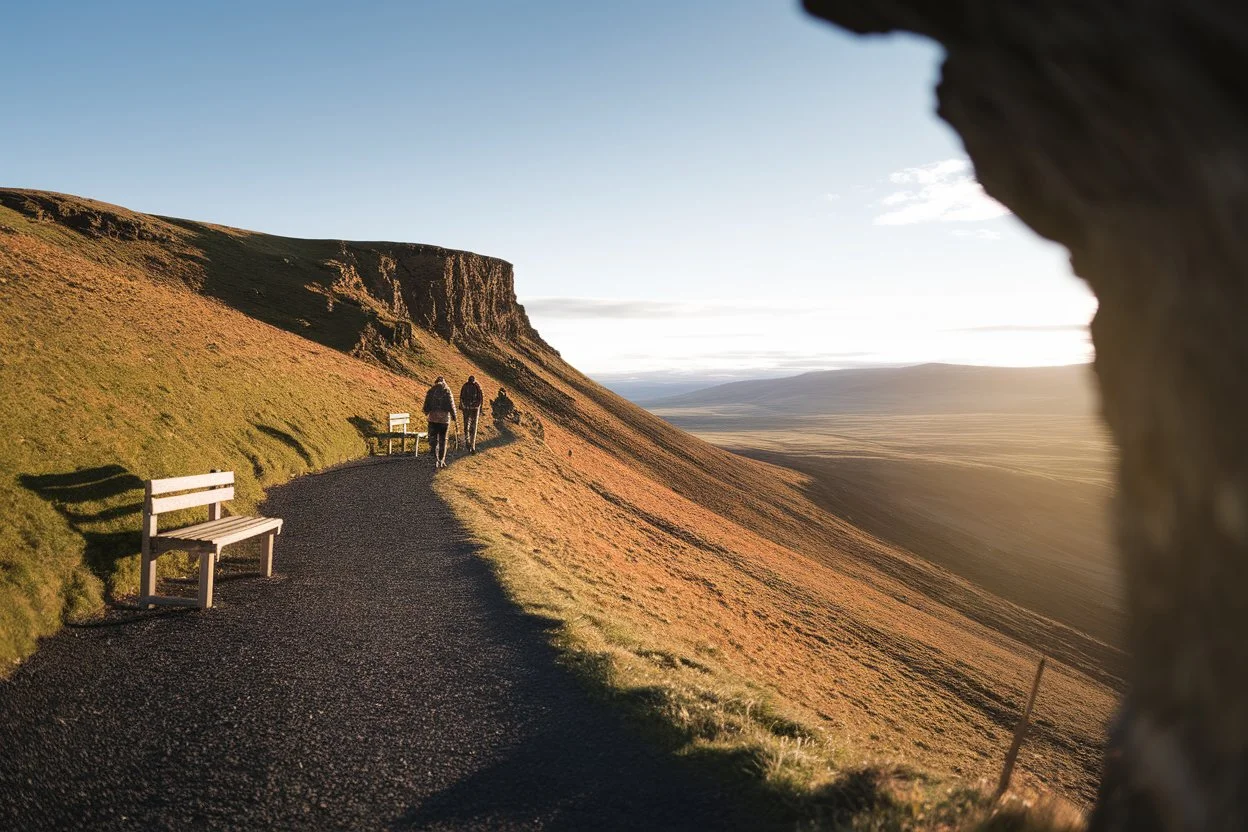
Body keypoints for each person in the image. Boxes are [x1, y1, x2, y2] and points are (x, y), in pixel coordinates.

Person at [422, 376, 457, 468]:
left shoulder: (431, 391)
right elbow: (451, 404)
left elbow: (426, 405)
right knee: (443, 440)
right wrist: (454, 416)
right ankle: (442, 460)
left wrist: (426, 411)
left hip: (433, 418)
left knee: (434, 440)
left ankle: (435, 459)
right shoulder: (447, 391)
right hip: (444, 420)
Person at [459, 375, 484, 453]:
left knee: (468, 427)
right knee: (472, 428)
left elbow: (461, 397)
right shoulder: (476, 386)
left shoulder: (466, 386)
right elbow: (480, 399)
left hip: (470, 409)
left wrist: (464, 406)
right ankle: (470, 444)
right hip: (472, 409)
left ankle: (470, 444)